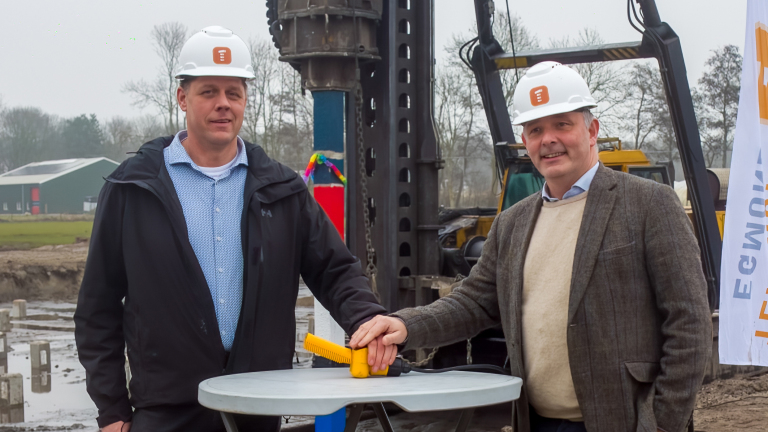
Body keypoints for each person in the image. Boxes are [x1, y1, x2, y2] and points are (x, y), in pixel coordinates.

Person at [350, 61, 712, 432]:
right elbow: (473, 302)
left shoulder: (649, 205)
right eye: (536, 129)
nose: (548, 139)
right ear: (525, 141)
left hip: (623, 421)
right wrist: (403, 325)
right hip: (535, 422)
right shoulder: (513, 223)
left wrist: (660, 423)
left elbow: (689, 325)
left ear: (592, 131)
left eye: (562, 125)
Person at [74, 26, 386, 432]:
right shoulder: (132, 190)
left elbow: (336, 271)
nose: (223, 104)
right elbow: (97, 310)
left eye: (233, 93)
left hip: (257, 401)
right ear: (182, 97)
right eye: (208, 92)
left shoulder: (282, 190)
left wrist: (370, 321)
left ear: (244, 100)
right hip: (167, 411)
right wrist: (112, 411)